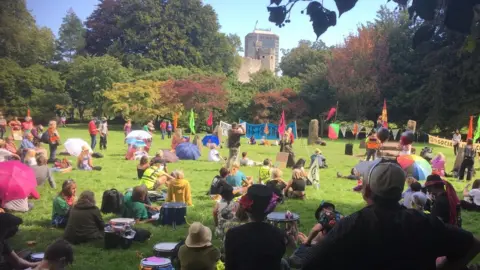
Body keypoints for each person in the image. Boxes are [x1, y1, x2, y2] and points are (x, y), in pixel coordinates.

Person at [302, 159, 480, 270]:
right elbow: (473, 244)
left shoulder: (350, 226)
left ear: (367, 191)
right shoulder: (425, 223)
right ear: (400, 192)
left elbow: (310, 264)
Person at [224, 185, 286, 270]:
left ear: (245, 207)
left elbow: (229, 266)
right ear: (270, 209)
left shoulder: (233, 234)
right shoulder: (278, 234)